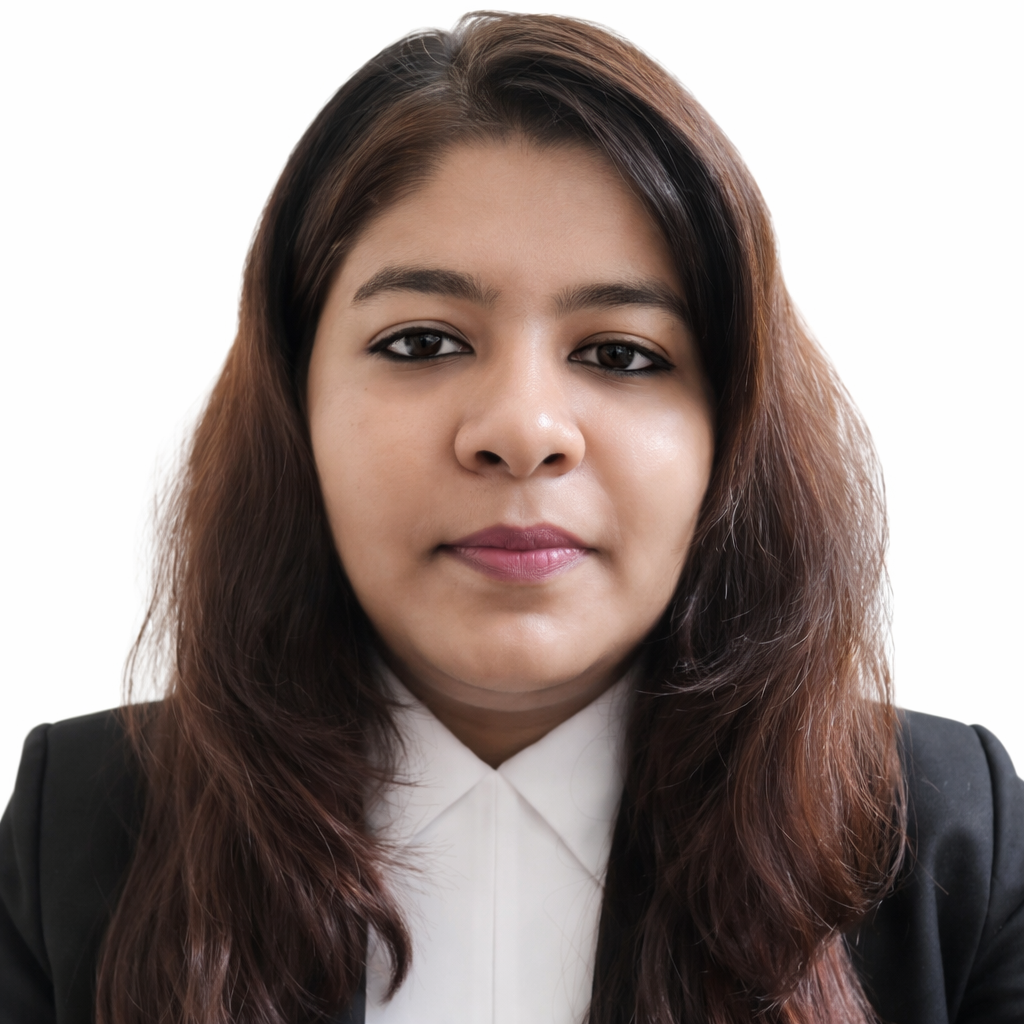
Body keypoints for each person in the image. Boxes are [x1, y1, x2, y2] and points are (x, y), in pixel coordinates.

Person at [0, 12, 1021, 1024]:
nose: (523, 432)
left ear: (732, 429)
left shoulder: (948, 845)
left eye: (621, 354)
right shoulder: (77, 829)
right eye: (421, 342)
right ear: (293, 399)